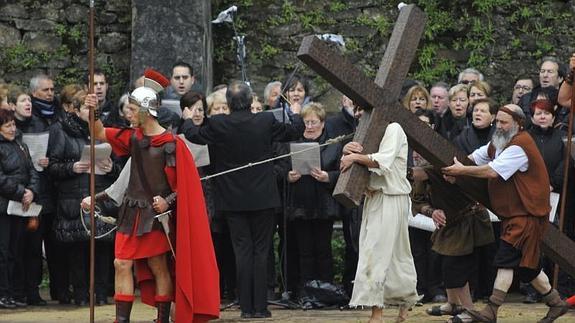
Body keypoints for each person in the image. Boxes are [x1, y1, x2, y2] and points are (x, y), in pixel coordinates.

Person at [87, 69, 219, 322]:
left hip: (155, 216)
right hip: (130, 212)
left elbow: (186, 188)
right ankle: (121, 319)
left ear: (147, 111)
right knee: (121, 263)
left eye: (134, 109)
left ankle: (162, 319)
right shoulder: (133, 138)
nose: (129, 114)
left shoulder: (171, 144)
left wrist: (166, 200)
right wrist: (92, 111)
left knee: (159, 266)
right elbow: (99, 133)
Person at [181, 80, 304, 319]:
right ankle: (260, 307)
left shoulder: (218, 123)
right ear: (250, 101)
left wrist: (187, 118)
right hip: (263, 197)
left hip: (232, 199)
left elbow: (194, 135)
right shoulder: (266, 120)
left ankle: (246, 308)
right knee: (261, 251)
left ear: (228, 102)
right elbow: (295, 131)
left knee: (242, 252)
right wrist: (295, 113)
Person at [442, 104, 569, 323]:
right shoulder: (499, 143)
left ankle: (491, 311)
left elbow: (492, 170)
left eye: (503, 122)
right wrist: (456, 170)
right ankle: (557, 303)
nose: (498, 127)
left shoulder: (520, 146)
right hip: (515, 216)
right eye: (497, 122)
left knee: (506, 261)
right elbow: (474, 158)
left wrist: (462, 172)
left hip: (527, 216)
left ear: (518, 124)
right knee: (528, 268)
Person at [340, 122, 418, 323]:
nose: (359, 114)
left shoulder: (394, 129)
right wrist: (347, 150)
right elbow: (354, 163)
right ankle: (402, 306)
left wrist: (356, 157)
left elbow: (383, 161)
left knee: (379, 253)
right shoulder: (369, 130)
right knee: (384, 253)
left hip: (392, 196)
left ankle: (378, 314)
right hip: (375, 198)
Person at [47, 90, 118, 306]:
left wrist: (111, 166)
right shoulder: (62, 130)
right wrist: (72, 166)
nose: (91, 112)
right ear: (76, 109)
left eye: (94, 109)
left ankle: (101, 293)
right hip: (74, 197)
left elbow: (119, 165)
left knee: (103, 248)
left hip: (100, 194)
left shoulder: (102, 130)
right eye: (87, 108)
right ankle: (79, 294)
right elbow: (53, 166)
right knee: (78, 250)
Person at [284, 102, 342, 307]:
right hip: (301, 204)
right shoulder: (293, 144)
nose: (309, 126)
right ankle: (306, 291)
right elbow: (281, 170)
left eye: (313, 122)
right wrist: (289, 177)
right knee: (304, 251)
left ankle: (326, 290)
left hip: (323, 204)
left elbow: (340, 172)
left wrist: (328, 176)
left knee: (323, 250)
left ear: (323, 123)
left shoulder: (333, 144)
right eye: (306, 122)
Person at [0, 109, 39, 309]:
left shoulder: (20, 144)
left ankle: (14, 292)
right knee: (3, 252)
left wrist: (31, 190)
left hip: (20, 205)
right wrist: (19, 191)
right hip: (4, 206)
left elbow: (32, 169)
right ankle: (3, 293)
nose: (13, 128)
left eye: (14, 125)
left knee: (16, 250)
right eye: (8, 125)